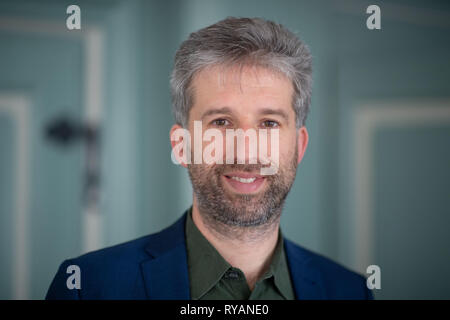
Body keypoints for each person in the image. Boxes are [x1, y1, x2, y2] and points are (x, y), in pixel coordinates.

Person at [46, 17, 372, 300]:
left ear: (299, 147)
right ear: (181, 145)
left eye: (269, 123)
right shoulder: (88, 288)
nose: (246, 152)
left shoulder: (350, 291)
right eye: (221, 122)